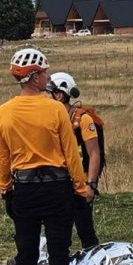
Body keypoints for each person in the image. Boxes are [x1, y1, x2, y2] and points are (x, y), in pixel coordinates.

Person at [0, 48, 89, 265]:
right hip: (56, 187)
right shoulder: (55, 109)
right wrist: (81, 187)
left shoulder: (4, 112)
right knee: (59, 255)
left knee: (26, 254)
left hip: (23, 190)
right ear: (34, 76)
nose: (48, 76)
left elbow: (2, 157)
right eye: (44, 72)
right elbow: (71, 154)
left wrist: (5, 188)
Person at [47, 72, 104, 249]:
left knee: (85, 228)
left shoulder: (83, 120)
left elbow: (94, 154)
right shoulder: (50, 120)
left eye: (48, 93)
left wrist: (90, 185)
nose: (44, 97)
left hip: (81, 183)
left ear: (59, 95)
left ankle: (94, 259)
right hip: (58, 182)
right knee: (58, 231)